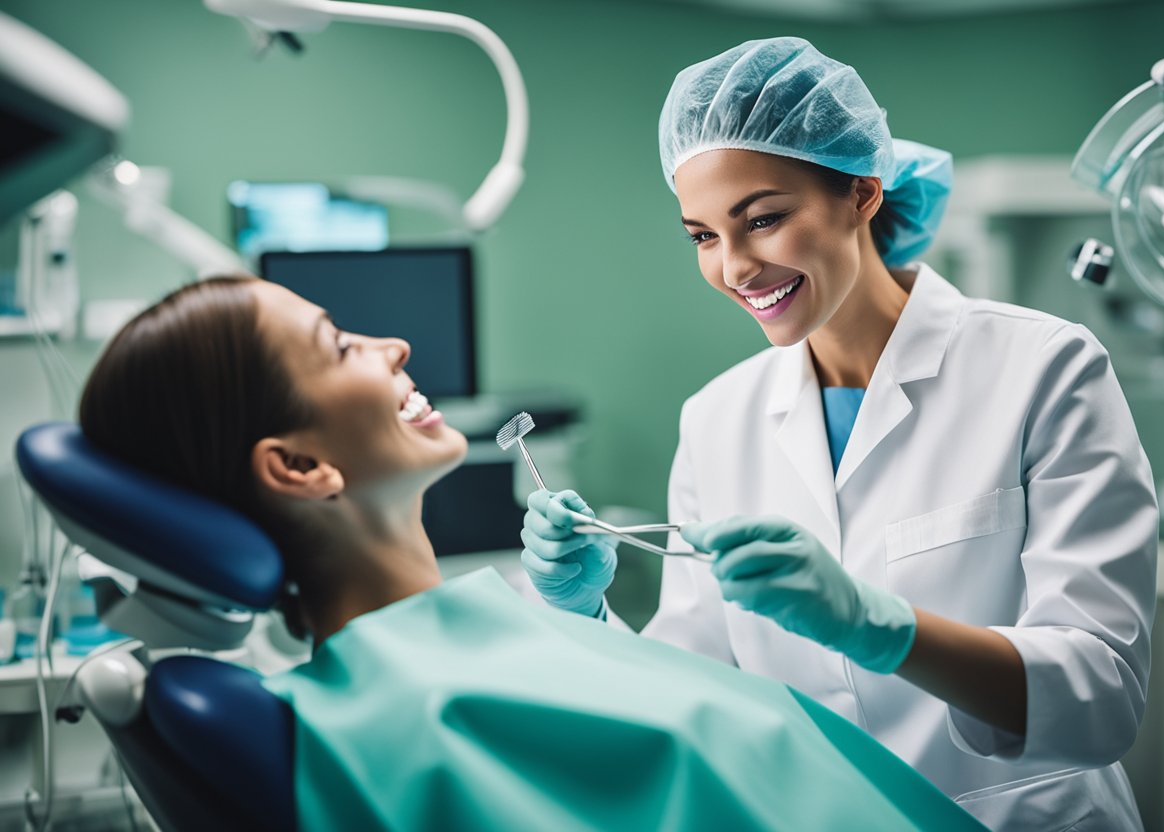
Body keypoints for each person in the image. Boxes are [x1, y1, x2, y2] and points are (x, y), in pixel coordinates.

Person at [520, 37, 1158, 832]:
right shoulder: (717, 417)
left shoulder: (1041, 368)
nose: (736, 267)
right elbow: (696, 690)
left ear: (861, 193)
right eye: (703, 236)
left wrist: (877, 627)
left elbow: (1101, 695)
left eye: (764, 219)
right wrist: (587, 613)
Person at [77, 275, 985, 831]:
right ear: (302, 466)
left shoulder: (452, 656)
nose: (393, 345)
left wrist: (584, 623)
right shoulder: (429, 720)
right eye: (340, 345)